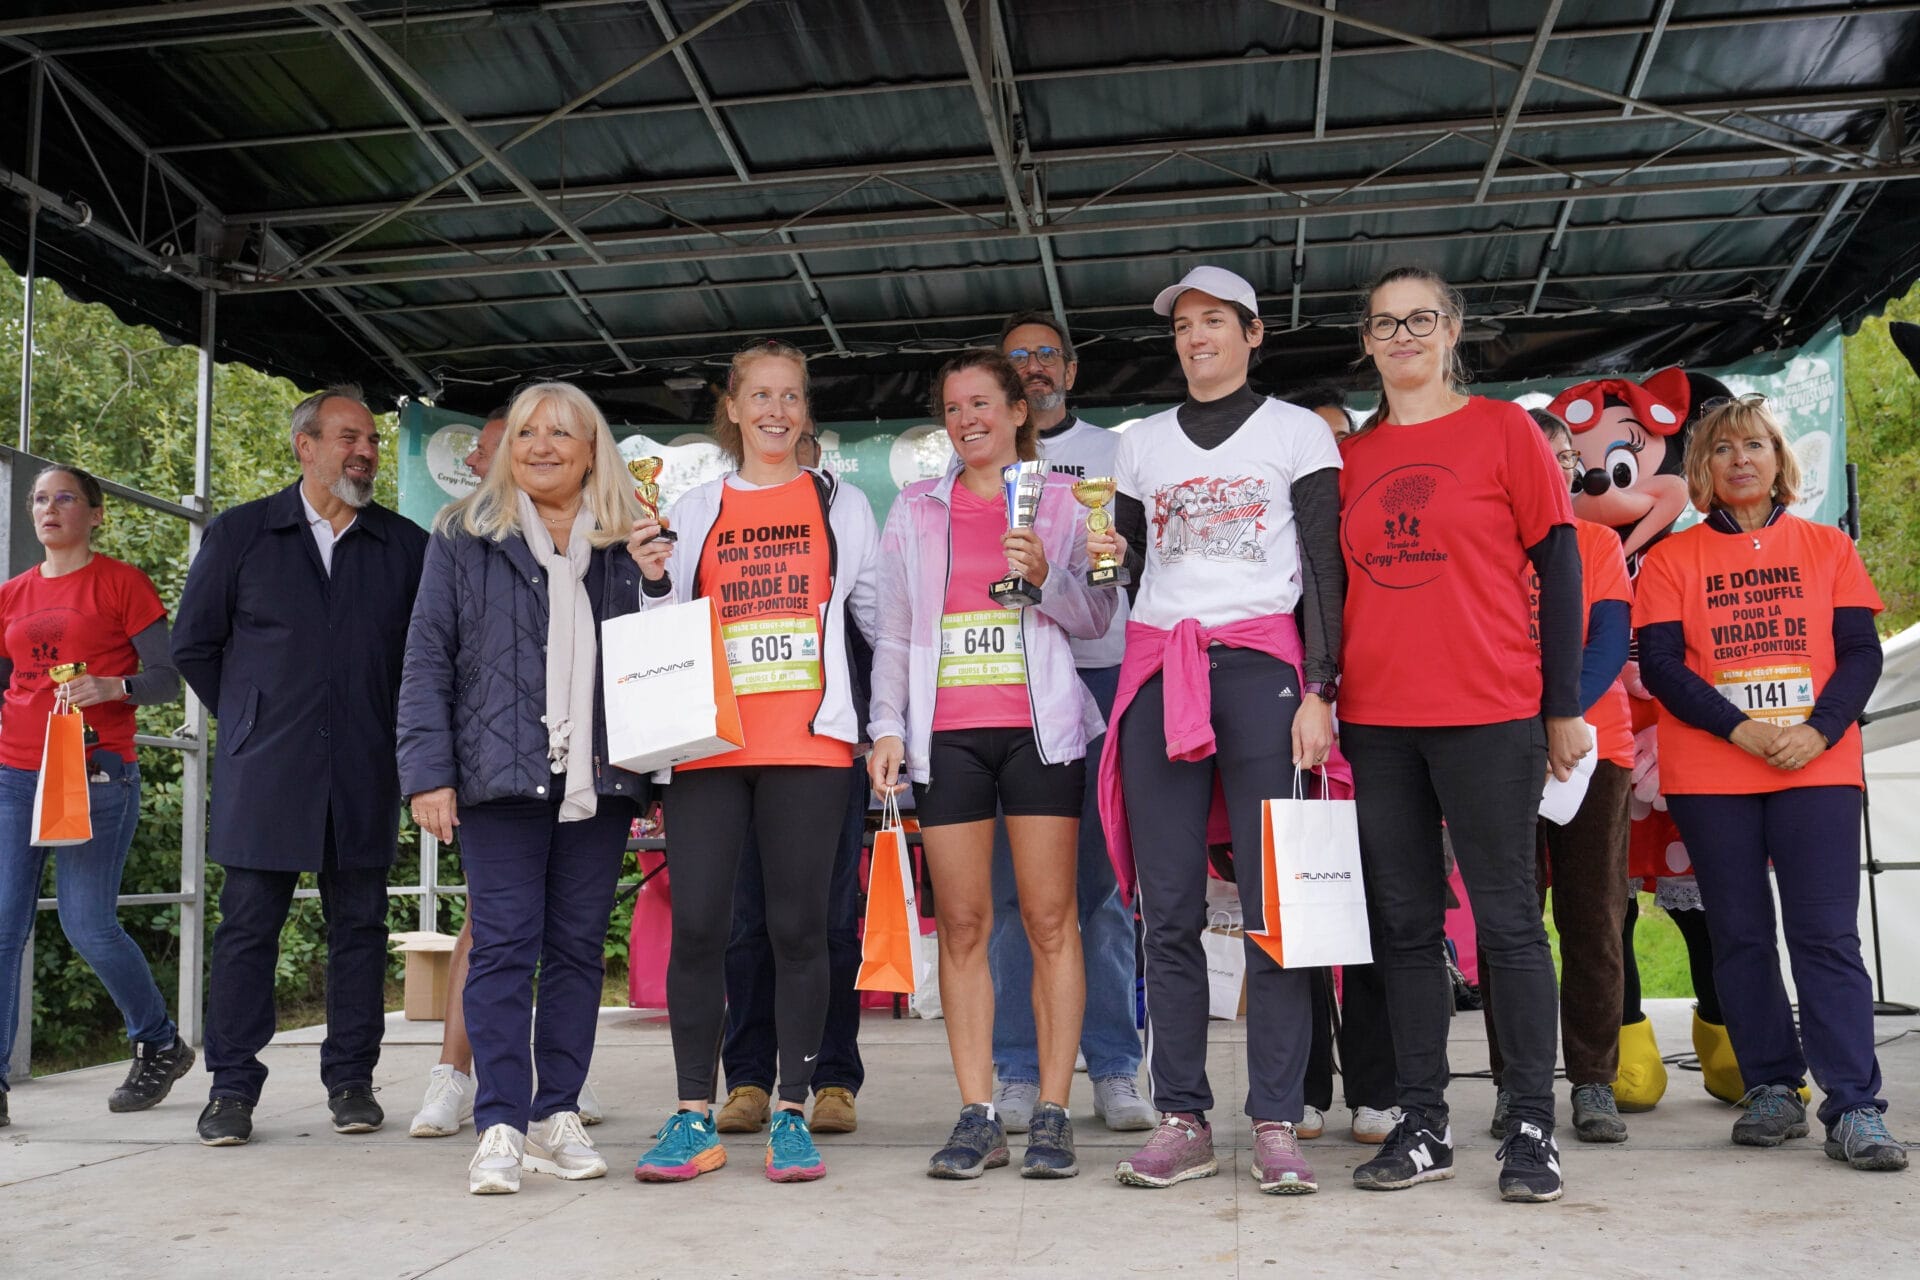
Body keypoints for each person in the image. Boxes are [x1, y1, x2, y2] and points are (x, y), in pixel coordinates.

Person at [1086, 266, 1342, 1197]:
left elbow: (1323, 569)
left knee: (1276, 908)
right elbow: (1128, 565)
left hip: (1267, 673)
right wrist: (1105, 560)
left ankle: (1275, 1119)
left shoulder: (1298, 432)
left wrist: (1322, 687)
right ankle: (1182, 1117)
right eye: (1184, 326)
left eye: (1213, 323)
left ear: (1253, 333)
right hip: (1162, 671)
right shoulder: (1139, 444)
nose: (1196, 338)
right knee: (1169, 909)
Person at [1336, 266, 1588, 1203]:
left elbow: (1561, 568)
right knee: (1403, 927)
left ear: (1453, 329)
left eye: (1421, 319)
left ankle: (1530, 1121)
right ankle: (1422, 1121)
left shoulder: (1503, 431)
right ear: (1366, 341)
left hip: (1490, 711)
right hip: (1378, 722)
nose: (1403, 335)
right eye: (1384, 323)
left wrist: (1561, 705)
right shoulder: (1352, 459)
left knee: (1511, 922)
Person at [630, 339, 879, 1185]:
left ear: (806, 411)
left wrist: (882, 729)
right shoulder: (692, 507)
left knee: (798, 929)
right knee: (699, 925)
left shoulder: (842, 503)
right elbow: (660, 617)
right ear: (731, 409)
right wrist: (654, 579)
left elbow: (874, 622)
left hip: (810, 746)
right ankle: (692, 1113)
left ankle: (793, 1111)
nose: (776, 411)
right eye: (760, 396)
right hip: (707, 748)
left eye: (792, 396)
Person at [1634, 394, 1904, 1173]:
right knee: (1741, 935)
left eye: (1754, 445)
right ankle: (1774, 1089)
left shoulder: (1828, 548)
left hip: (1815, 766)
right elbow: (1659, 666)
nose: (1740, 459)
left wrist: (1817, 731)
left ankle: (1854, 1106)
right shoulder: (1672, 559)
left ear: (1779, 461)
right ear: (1703, 471)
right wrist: (1741, 729)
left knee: (1825, 934)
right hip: (1715, 770)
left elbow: (1861, 654)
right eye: (1722, 450)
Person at [399, 381, 649, 1194]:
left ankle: (558, 1112)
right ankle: (501, 1124)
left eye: (563, 433)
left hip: (599, 779)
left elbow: (664, 648)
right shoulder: (462, 535)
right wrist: (428, 774)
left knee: (578, 950)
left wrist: (656, 578)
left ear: (591, 450)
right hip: (495, 779)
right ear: (509, 449)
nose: (542, 446)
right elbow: (427, 658)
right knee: (504, 949)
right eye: (529, 432)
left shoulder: (627, 541)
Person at [869, 348, 1112, 1180]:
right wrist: (887, 726)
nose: (966, 418)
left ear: (1020, 411)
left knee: (1052, 921)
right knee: (966, 926)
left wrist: (1047, 580)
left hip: (1041, 733)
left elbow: (1096, 615)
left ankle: (1051, 1111)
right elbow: (896, 630)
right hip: (951, 739)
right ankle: (977, 1113)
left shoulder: (1063, 504)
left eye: (981, 402)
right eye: (952, 407)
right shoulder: (914, 509)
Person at [174, 384, 428, 1147]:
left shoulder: (405, 545)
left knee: (360, 927)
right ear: (304, 446)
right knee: (248, 928)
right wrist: (253, 719)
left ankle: (351, 1082)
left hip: (365, 769)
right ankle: (231, 1090)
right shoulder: (243, 533)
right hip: (267, 771)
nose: (364, 452)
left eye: (373, 441)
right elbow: (193, 644)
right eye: (349, 437)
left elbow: (426, 658)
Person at [984, 310, 1153, 1135]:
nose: (1033, 369)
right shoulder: (974, 461)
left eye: (1046, 355)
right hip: (1009, 688)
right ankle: (1016, 1068)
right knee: (1015, 895)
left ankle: (1117, 1065)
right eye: (1017, 359)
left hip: (1109, 675)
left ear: (1072, 371)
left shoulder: (1121, 457)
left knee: (1103, 890)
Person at [0, 466, 186, 1128]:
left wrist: (115, 688)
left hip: (95, 774)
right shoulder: (11, 594)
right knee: (2, 927)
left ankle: (159, 1040)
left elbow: (167, 678)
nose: (49, 508)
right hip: (15, 776)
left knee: (87, 924)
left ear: (96, 513)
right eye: (39, 499)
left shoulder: (122, 584)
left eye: (65, 497)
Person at [1480, 409, 1636, 1144]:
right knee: (1508, 923)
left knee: (1594, 918)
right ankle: (1518, 1083)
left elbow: (1607, 640)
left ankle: (1593, 1082)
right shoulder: (1483, 545)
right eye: (1549, 456)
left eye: (1571, 455)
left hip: (1591, 750)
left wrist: (1558, 714)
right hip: (1494, 747)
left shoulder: (1598, 541)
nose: (1566, 466)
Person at [716, 425, 870, 1138]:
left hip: (824, 752)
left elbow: (876, 629)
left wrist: (876, 729)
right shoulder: (710, 522)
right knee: (746, 920)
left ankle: (833, 1077)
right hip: (735, 752)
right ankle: (746, 1076)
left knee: (829, 922)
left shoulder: (844, 521)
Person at [1285, 378, 1399, 1147]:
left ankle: (1377, 1089)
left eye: (1339, 446)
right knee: (1297, 913)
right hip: (1293, 737)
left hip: (1382, 734)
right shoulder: (1272, 558)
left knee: (1377, 916)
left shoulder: (1382, 540)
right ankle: (1302, 1088)